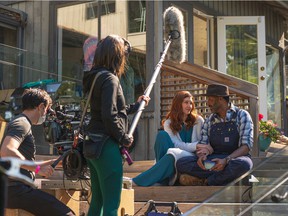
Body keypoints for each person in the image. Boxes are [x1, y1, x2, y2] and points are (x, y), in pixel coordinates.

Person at [82, 35, 149, 216]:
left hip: (92, 145)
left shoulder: (95, 77)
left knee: (97, 201)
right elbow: (109, 115)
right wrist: (123, 137)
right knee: (112, 203)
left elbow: (110, 110)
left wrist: (135, 106)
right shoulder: (110, 79)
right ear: (117, 55)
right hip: (106, 146)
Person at [0, 88, 75, 216]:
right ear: (40, 107)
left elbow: (21, 160)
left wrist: (51, 162)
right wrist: (37, 169)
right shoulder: (22, 123)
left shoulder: (21, 122)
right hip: (15, 190)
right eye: (47, 109)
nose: (46, 114)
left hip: (14, 190)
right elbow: (6, 151)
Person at [176, 84, 254, 186]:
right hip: (213, 162)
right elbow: (203, 144)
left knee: (245, 165)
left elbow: (246, 146)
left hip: (233, 160)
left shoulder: (242, 115)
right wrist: (201, 156)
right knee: (182, 163)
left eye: (210, 99)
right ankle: (224, 178)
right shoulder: (209, 120)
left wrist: (226, 160)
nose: (208, 103)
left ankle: (207, 181)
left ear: (220, 99)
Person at [132, 91, 212, 186]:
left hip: (192, 156)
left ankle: (137, 182)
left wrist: (198, 147)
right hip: (176, 151)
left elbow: (201, 143)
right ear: (178, 104)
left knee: (172, 154)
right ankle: (164, 178)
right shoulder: (168, 123)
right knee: (162, 136)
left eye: (191, 103)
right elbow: (176, 144)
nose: (189, 106)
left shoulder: (198, 121)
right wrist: (196, 145)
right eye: (186, 102)